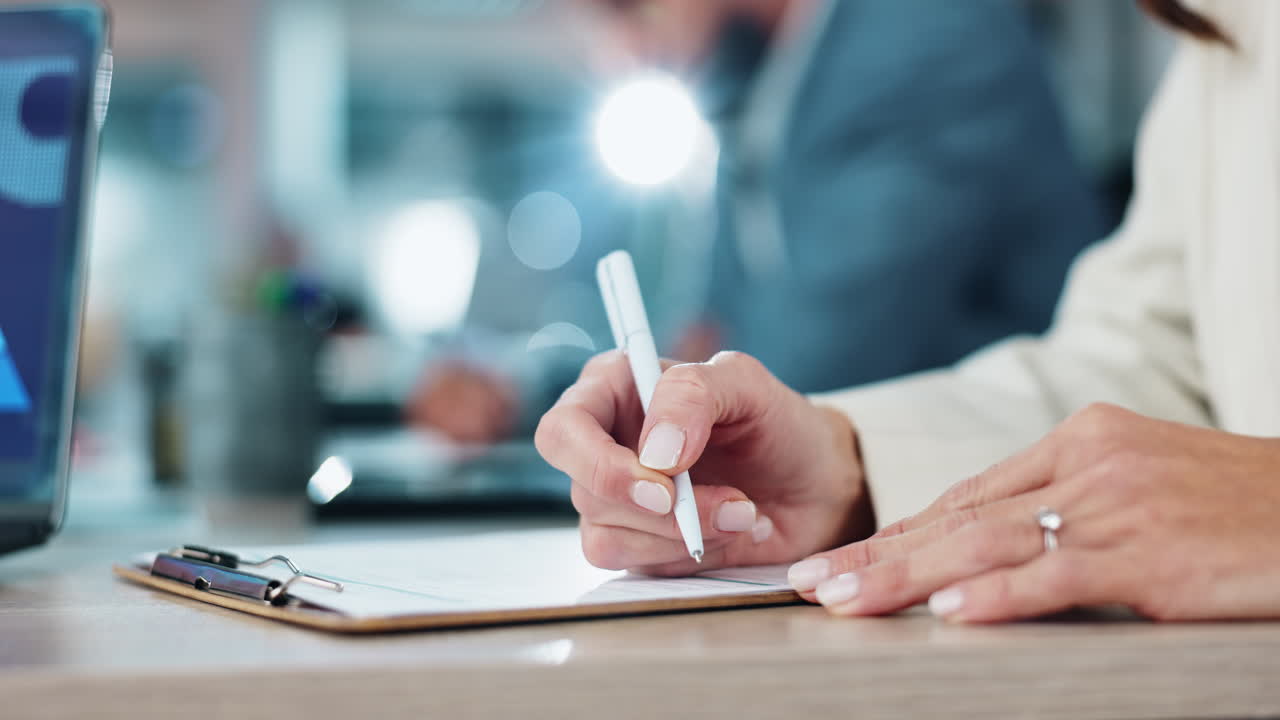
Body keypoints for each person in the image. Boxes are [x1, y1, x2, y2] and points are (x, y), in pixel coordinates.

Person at [535, 0, 1280, 623]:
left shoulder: (924, 32)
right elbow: (1154, 362)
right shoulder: (1224, 19)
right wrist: (847, 464)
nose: (619, 50)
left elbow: (829, 337)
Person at [410, 0, 1104, 441]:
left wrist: (671, 373)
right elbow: (692, 338)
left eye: (618, 8)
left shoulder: (928, 31)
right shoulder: (757, 71)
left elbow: (817, 361)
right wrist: (524, 389)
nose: (618, 53)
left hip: (983, 479)